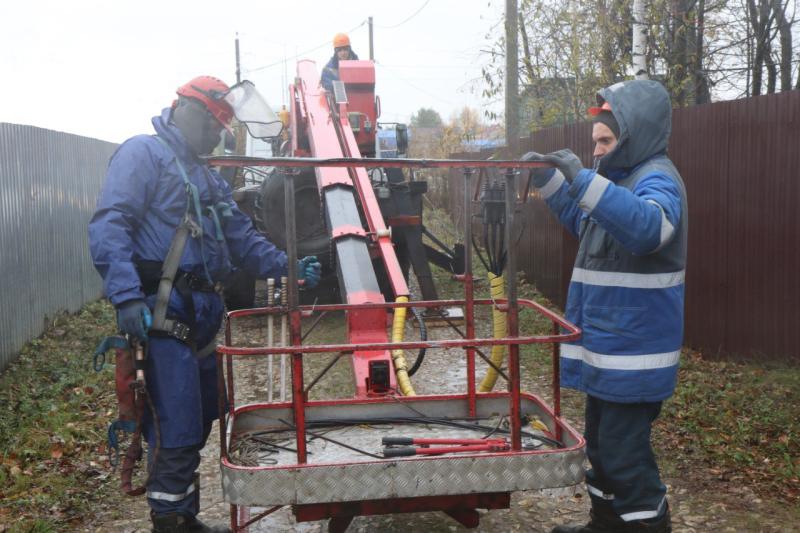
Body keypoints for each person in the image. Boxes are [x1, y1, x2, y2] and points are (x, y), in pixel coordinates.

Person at [88, 75, 321, 532]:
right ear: (187, 112)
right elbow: (110, 223)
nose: (217, 136)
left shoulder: (207, 178)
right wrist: (126, 296)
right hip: (163, 315)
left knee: (199, 419)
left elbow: (242, 240)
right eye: (214, 125)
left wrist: (287, 266)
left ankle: (183, 513)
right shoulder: (143, 154)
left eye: (223, 128)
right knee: (175, 420)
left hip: (200, 322)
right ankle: (170, 520)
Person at [524, 80, 687, 533]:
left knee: (623, 455)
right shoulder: (616, 182)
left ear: (633, 135)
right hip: (610, 351)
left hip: (634, 355)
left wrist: (583, 178)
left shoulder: (657, 179)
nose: (596, 152)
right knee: (600, 447)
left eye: (605, 141)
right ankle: (606, 524)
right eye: (594, 143)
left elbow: (648, 228)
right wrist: (551, 178)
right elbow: (585, 219)